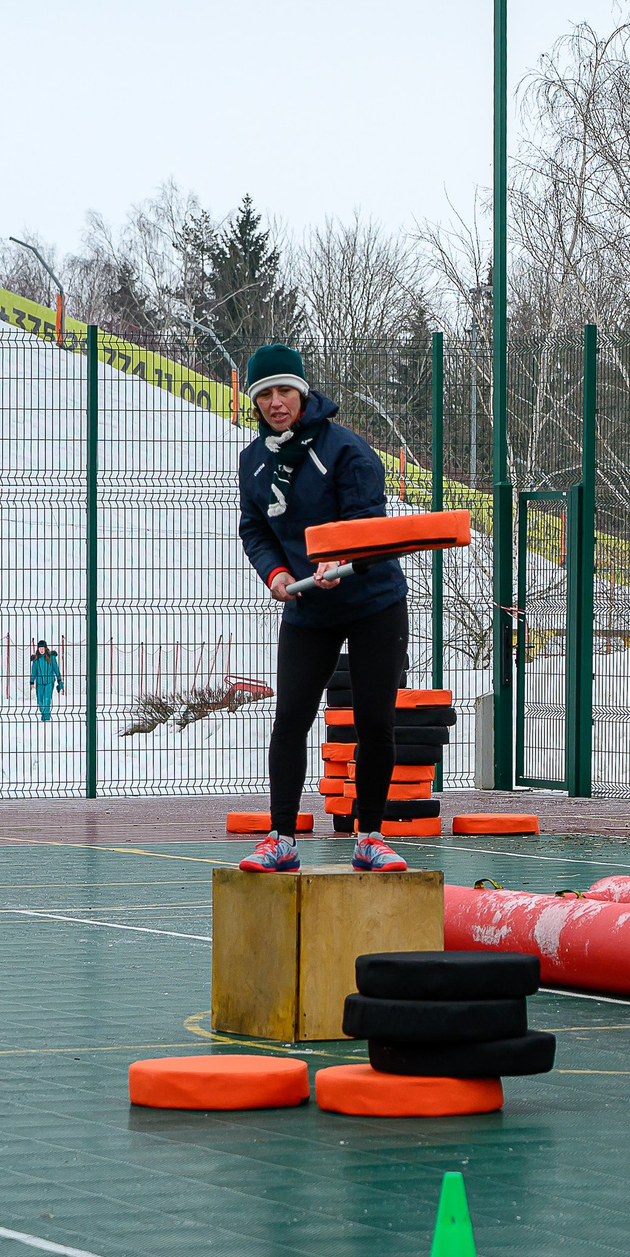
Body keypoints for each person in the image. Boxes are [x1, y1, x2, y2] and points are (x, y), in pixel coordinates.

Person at [233, 342, 410, 874]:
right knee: (290, 719)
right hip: (309, 606)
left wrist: (340, 559)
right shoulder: (252, 461)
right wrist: (277, 574)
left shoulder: (346, 450)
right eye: (265, 394)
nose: (275, 402)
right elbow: (256, 528)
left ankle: (370, 837)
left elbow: (366, 521)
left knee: (374, 720)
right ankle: (281, 837)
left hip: (372, 600)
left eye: (285, 390)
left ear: (303, 392)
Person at [29, 640, 61, 721]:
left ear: (46, 649)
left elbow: (56, 669)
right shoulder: (36, 659)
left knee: (47, 699)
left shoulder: (51, 658)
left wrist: (59, 680)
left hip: (49, 682)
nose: (41, 650)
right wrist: (32, 682)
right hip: (39, 682)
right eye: (40, 648)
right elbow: (34, 671)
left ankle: (46, 717)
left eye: (43, 648)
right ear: (38, 649)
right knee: (40, 700)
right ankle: (43, 713)